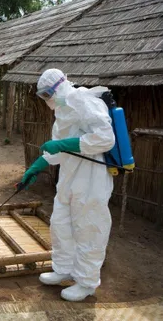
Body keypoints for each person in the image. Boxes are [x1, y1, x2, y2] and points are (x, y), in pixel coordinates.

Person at [21, 69, 115, 302]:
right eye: (41, 95)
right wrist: (35, 167)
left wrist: (64, 143)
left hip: (92, 175)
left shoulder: (84, 100)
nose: (46, 100)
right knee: (60, 223)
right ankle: (63, 268)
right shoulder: (62, 112)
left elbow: (105, 138)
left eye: (47, 94)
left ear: (59, 87)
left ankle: (86, 282)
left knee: (88, 226)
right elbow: (56, 150)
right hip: (70, 176)